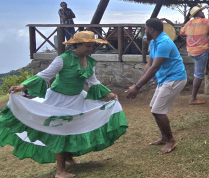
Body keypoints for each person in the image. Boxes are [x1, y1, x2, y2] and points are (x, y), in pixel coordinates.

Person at [2, 31, 126, 178]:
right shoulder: (62, 59)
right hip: (58, 99)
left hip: (77, 98)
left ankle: (68, 157)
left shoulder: (90, 61)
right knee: (59, 130)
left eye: (92, 45)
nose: (91, 48)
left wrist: (108, 94)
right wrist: (23, 87)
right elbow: (45, 75)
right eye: (88, 45)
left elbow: (93, 82)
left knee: (72, 126)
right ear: (77, 45)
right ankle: (60, 171)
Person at [126, 18, 187, 154]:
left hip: (174, 79)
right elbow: (149, 65)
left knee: (158, 110)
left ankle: (171, 141)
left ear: (151, 30)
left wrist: (137, 87)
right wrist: (138, 82)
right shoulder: (154, 41)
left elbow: (154, 68)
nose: (144, 30)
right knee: (154, 108)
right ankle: (165, 137)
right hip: (165, 79)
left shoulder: (164, 43)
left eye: (145, 28)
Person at [178, 6, 209, 105]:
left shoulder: (189, 23)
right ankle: (193, 98)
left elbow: (181, 32)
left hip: (190, 51)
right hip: (201, 51)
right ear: (199, 13)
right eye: (201, 11)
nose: (203, 13)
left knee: (207, 51)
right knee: (198, 75)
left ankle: (207, 68)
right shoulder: (206, 21)